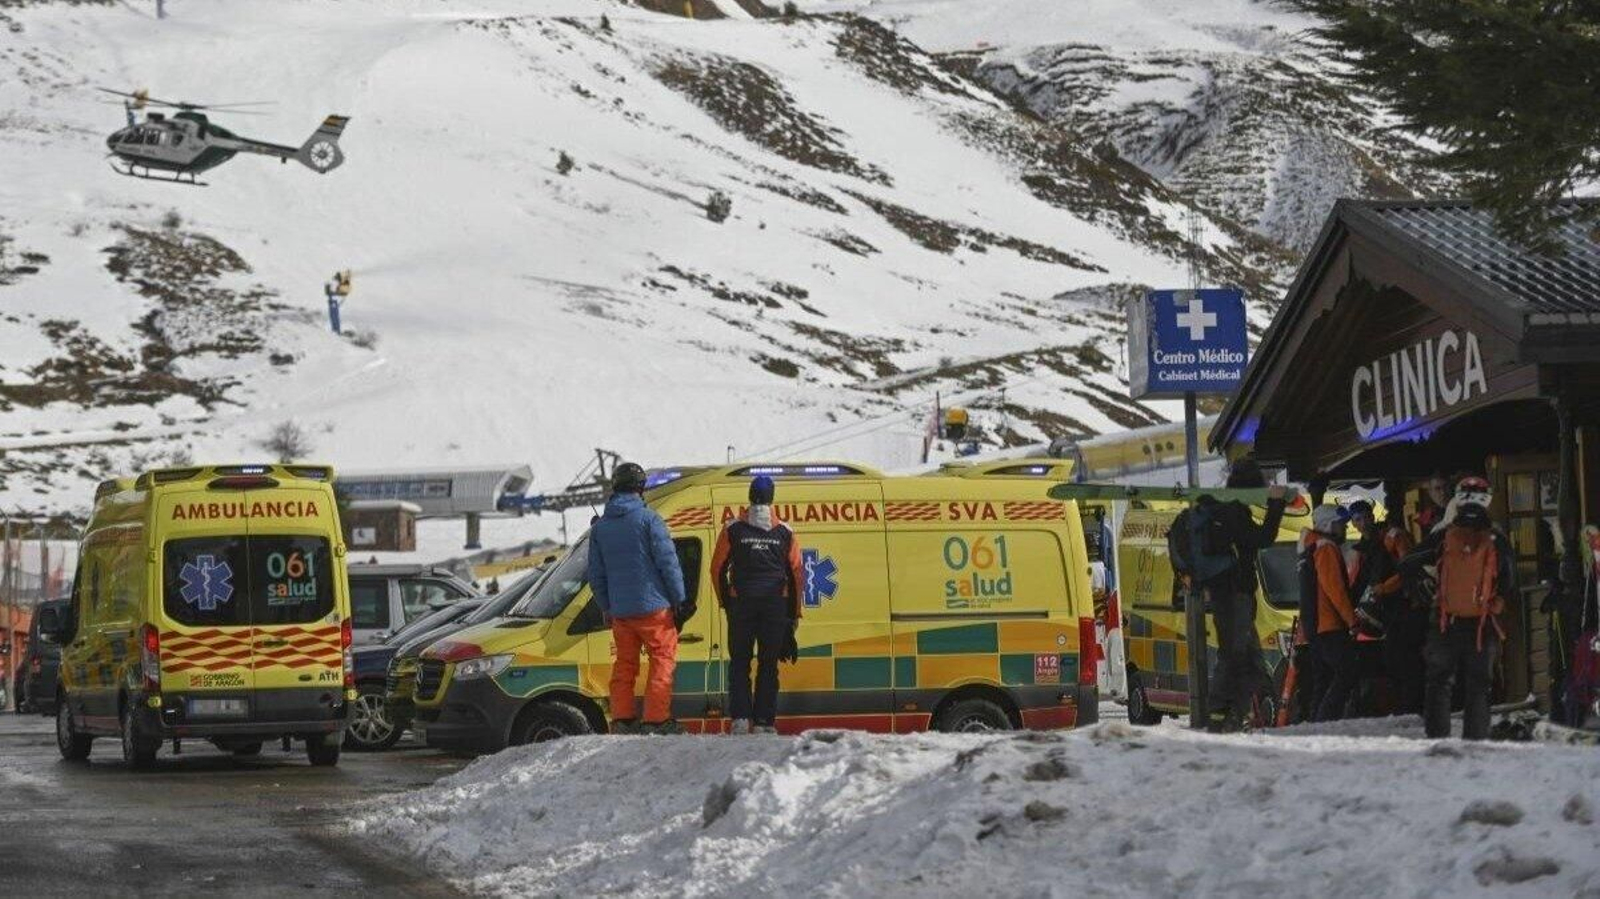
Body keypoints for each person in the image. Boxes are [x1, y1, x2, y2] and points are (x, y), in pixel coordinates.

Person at [1169, 456, 1286, 730]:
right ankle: (1221, 713)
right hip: (1235, 594)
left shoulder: (1218, 509)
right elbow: (1264, 538)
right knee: (1235, 655)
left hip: (1224, 593)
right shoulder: (1233, 513)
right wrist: (1276, 504)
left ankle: (1262, 709)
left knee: (1250, 656)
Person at [588, 461, 689, 735]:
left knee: (624, 665)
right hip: (655, 607)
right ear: (640, 488)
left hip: (622, 612)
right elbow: (668, 563)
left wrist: (607, 606)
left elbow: (595, 574)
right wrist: (680, 598)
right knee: (662, 659)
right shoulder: (649, 519)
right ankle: (656, 720)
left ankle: (622, 719)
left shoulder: (600, 529)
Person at [1412, 476, 1513, 740]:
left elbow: (1408, 563)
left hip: (1445, 620)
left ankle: (1436, 737)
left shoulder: (1443, 535)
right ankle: (1476, 740)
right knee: (1479, 685)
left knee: (1439, 681)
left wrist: (1424, 589)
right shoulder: (1497, 537)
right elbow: (1509, 579)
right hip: (1482, 623)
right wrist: (1498, 600)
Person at [711, 475, 805, 735]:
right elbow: (797, 573)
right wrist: (794, 613)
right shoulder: (785, 532)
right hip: (774, 607)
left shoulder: (732, 529)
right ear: (772, 500)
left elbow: (716, 568)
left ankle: (740, 719)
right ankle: (764, 722)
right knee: (768, 663)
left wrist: (726, 603)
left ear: (749, 497)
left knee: (739, 663)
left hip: (741, 607)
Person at [1307, 503, 1361, 722]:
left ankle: (1318, 719)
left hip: (1318, 623)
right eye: (1342, 524)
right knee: (1347, 671)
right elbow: (1335, 589)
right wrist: (1351, 620)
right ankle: (1326, 718)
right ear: (1329, 525)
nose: (1346, 528)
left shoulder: (1312, 546)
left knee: (1324, 677)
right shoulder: (1326, 548)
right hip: (1329, 623)